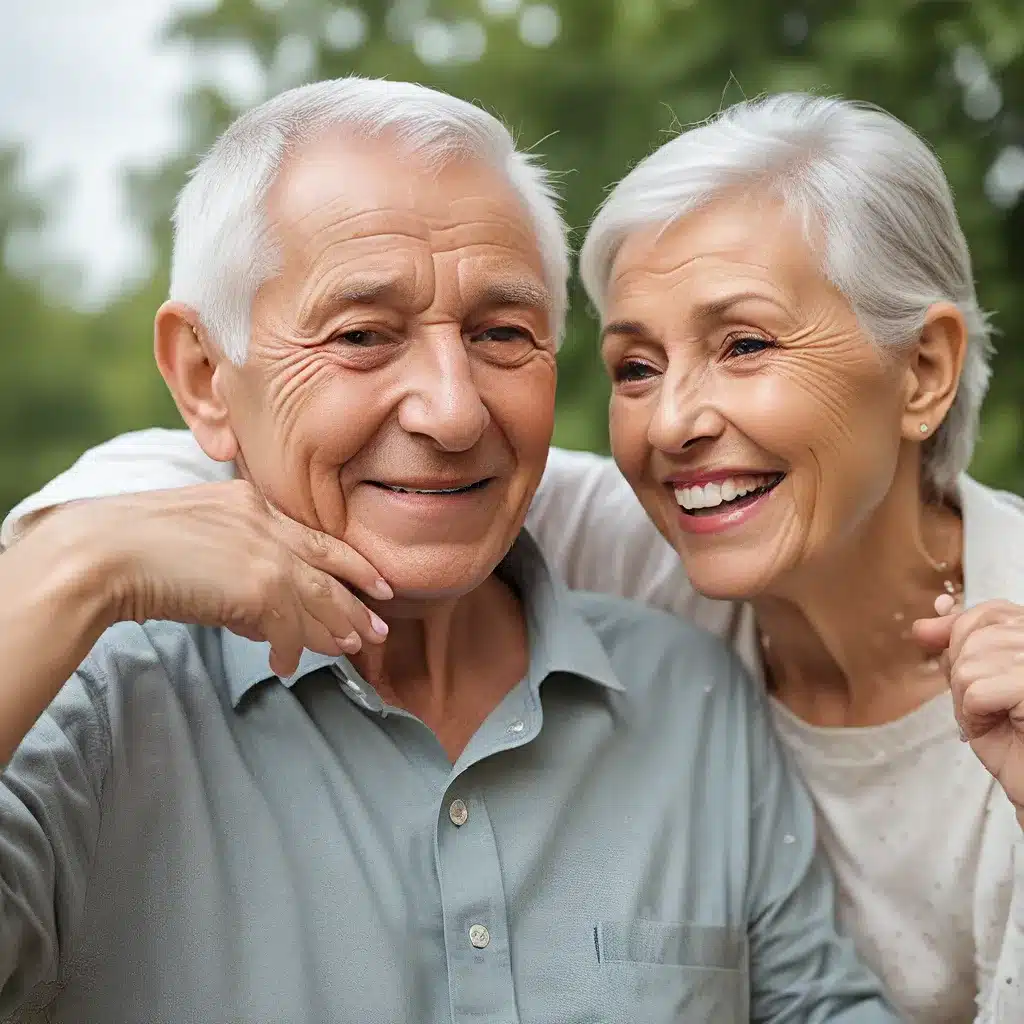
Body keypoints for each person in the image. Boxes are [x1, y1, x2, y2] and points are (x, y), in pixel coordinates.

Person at [14, 92, 1024, 1024]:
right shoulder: (96, 702)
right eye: (364, 333)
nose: (454, 414)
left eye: (503, 334)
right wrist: (77, 565)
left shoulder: (686, 679)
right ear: (201, 376)